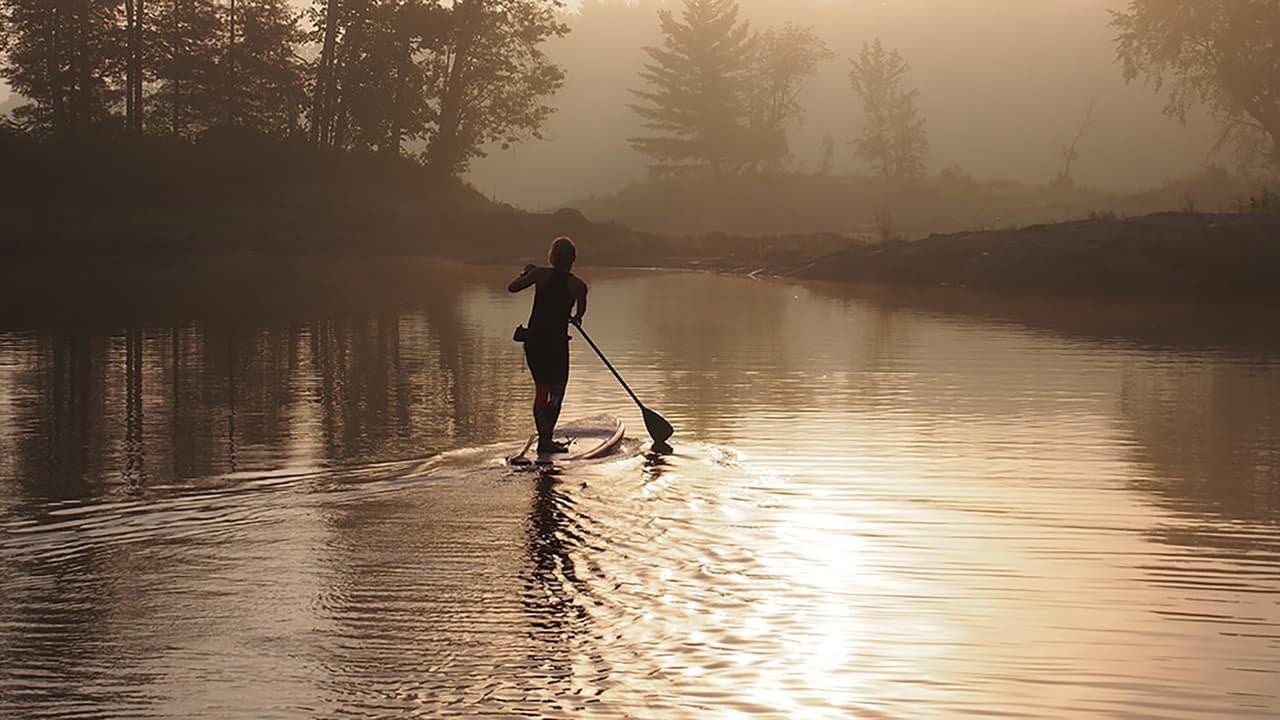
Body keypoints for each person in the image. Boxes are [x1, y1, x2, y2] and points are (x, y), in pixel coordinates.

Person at [509, 236, 588, 454]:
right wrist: (575, 318)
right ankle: (546, 439)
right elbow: (579, 313)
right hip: (555, 346)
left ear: (551, 256)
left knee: (541, 389)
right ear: (573, 259)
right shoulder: (578, 286)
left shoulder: (539, 274)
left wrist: (526, 274)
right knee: (557, 391)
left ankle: (544, 438)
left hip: (534, 343)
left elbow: (512, 288)